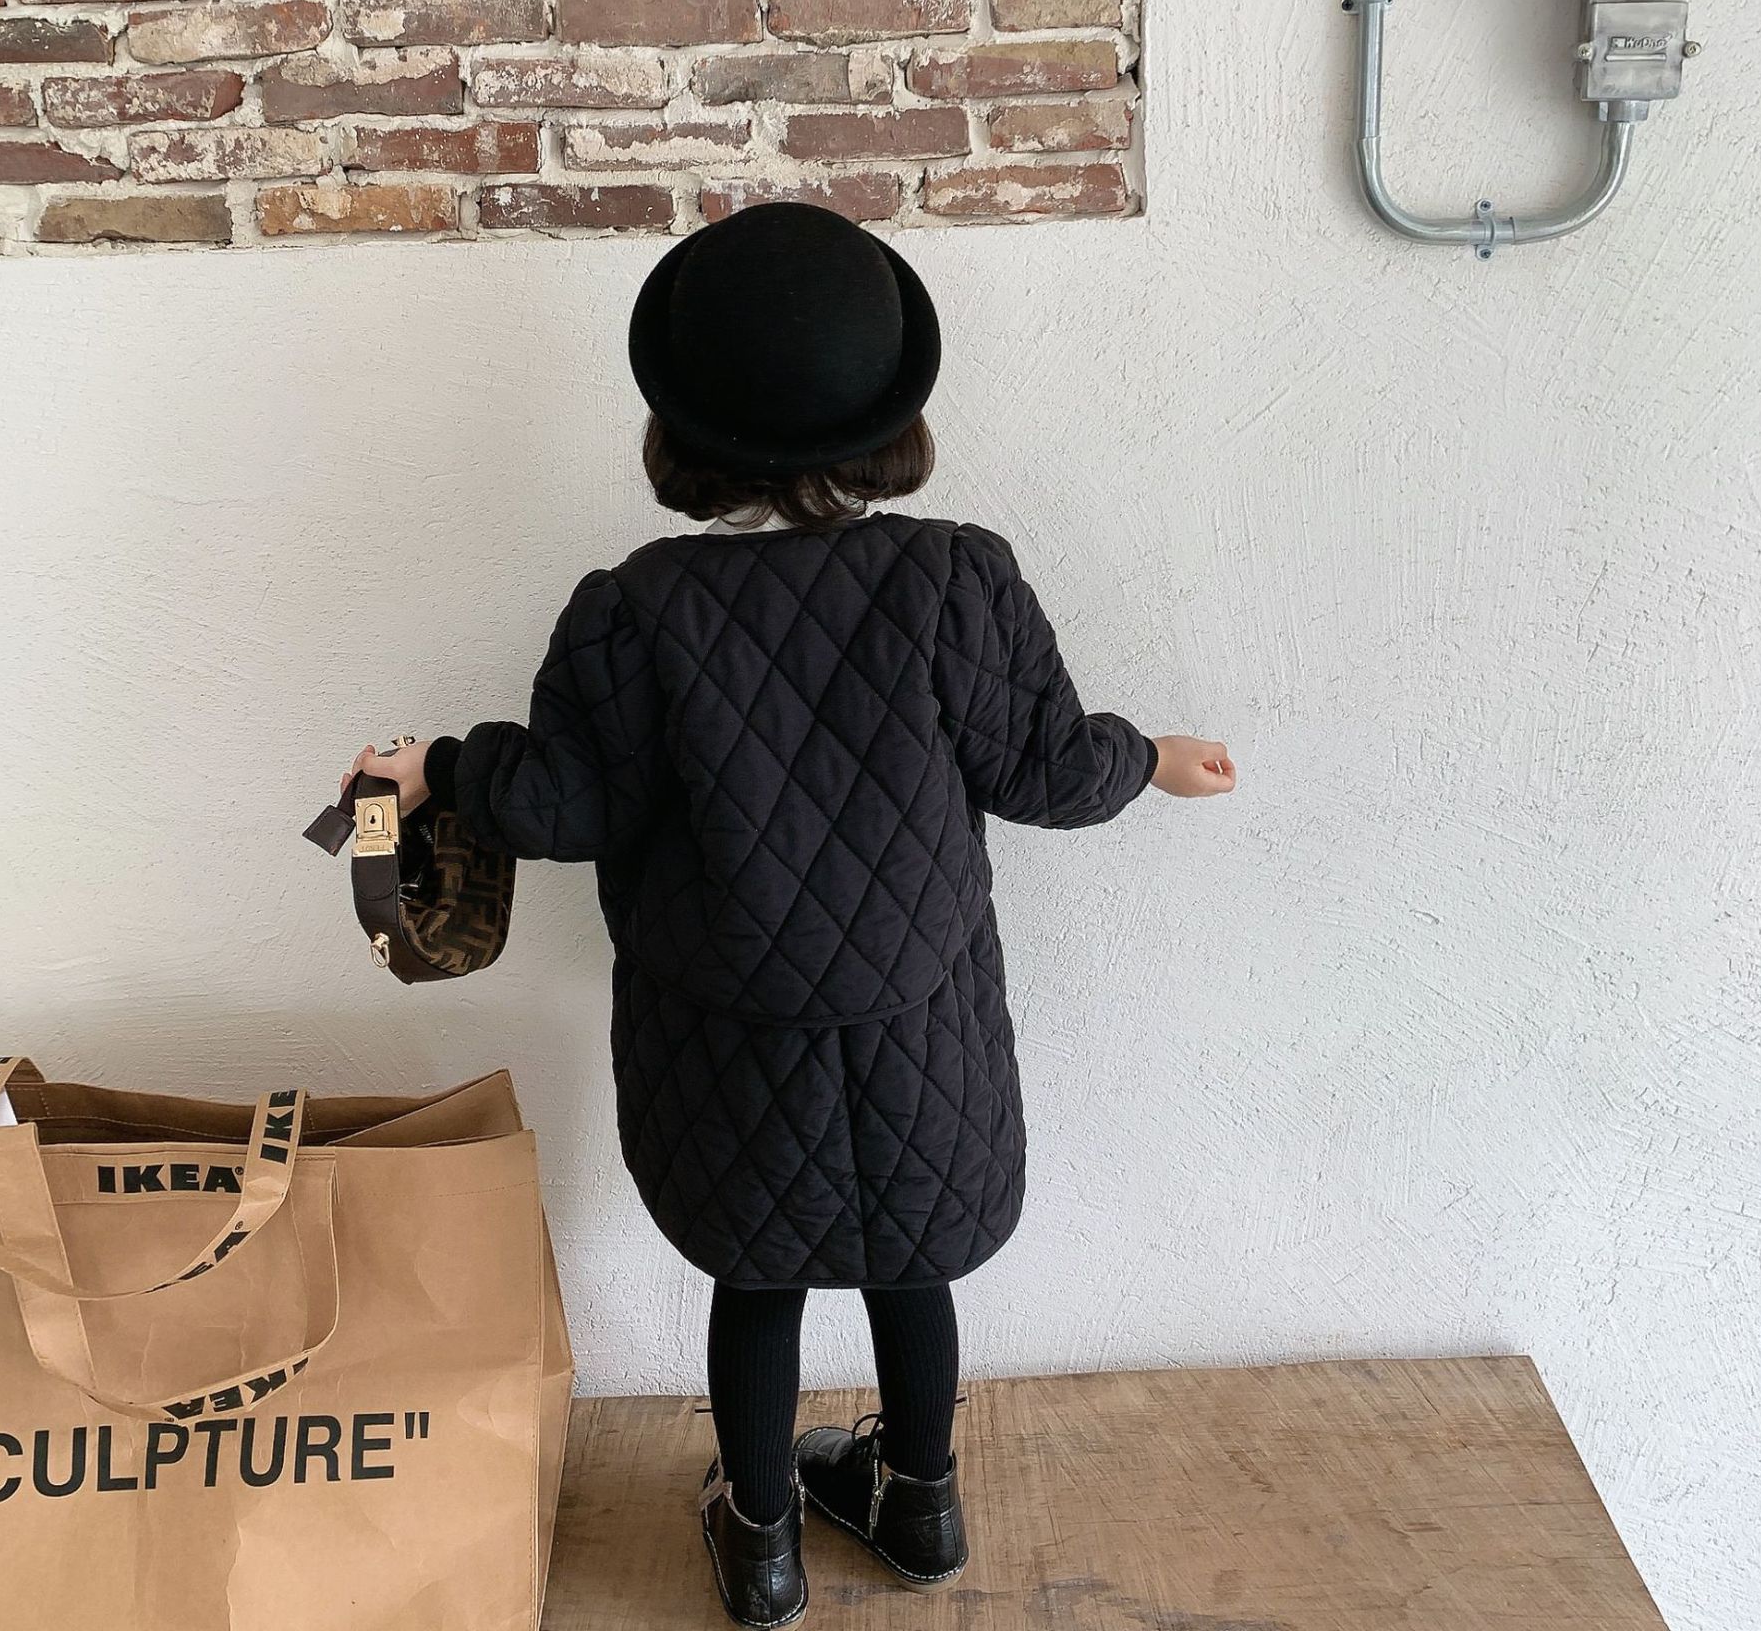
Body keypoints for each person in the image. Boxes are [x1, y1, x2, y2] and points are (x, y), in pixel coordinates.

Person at [340, 202, 1236, 1629]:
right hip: (922, 1025)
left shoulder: (633, 611)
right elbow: (1047, 769)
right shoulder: (957, 580)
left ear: (678, 428)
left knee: (757, 1275)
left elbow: (566, 805)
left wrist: (439, 766)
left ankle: (760, 1544)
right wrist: (1154, 758)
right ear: (890, 413)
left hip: (725, 1039)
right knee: (913, 1261)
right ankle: (921, 1505)